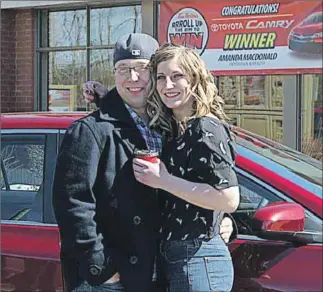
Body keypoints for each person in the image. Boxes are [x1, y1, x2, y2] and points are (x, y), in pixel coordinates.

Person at [53, 33, 234, 292]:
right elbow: (72, 204)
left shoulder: (170, 126)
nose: (133, 78)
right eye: (123, 69)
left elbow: (195, 185)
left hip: (158, 272)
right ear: (114, 74)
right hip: (111, 279)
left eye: (142, 69)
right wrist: (100, 266)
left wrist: (221, 219)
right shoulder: (90, 130)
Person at [132, 43, 240, 292]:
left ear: (195, 79)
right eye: (161, 77)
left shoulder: (205, 128)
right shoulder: (174, 129)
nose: (167, 85)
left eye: (177, 76)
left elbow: (228, 198)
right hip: (177, 256)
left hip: (199, 258)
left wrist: (163, 180)